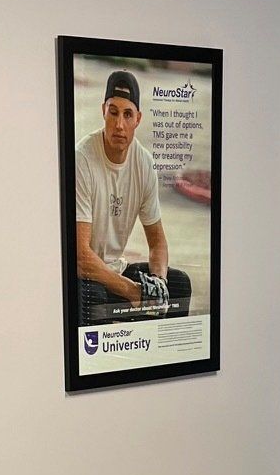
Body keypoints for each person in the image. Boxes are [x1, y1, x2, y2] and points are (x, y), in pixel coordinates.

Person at [73, 69, 191, 322]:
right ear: (103, 110)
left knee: (179, 285)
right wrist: (133, 291)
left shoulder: (143, 163)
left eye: (127, 115)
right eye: (113, 112)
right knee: (95, 298)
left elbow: (157, 243)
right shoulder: (82, 159)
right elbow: (81, 258)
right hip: (85, 277)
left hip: (116, 271)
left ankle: (163, 359)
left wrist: (158, 283)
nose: (119, 124)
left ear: (138, 119)